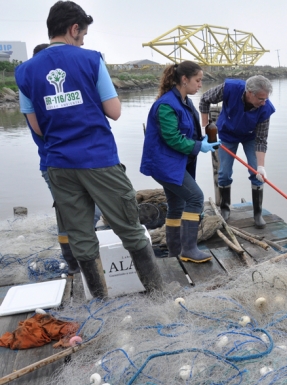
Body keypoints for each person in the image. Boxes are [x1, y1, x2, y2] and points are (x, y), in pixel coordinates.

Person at [15, 0, 163, 298]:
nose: (83, 41)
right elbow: (115, 111)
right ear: (73, 29)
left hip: (58, 164)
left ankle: (100, 300)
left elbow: (37, 127)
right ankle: (158, 294)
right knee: (129, 228)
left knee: (80, 235)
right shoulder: (91, 60)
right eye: (82, 35)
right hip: (98, 159)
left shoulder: (24, 72)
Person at [27, 43, 102, 277]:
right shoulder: (36, 93)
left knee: (75, 213)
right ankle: (77, 263)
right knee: (79, 214)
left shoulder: (39, 93)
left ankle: (77, 262)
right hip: (59, 163)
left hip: (63, 163)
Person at [140, 61, 217, 263]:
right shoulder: (166, 105)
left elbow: (190, 132)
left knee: (177, 205)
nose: (200, 85)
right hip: (164, 164)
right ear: (184, 79)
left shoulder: (184, 101)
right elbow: (172, 138)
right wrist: (199, 147)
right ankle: (189, 249)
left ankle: (175, 250)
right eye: (198, 80)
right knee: (195, 198)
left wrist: (204, 141)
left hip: (175, 163)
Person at [199, 75, 275, 228]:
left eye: (266, 99)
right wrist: (205, 126)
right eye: (260, 98)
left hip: (250, 136)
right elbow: (204, 99)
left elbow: (261, 140)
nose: (264, 102)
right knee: (224, 173)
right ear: (249, 92)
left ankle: (257, 213)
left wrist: (261, 167)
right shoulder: (229, 88)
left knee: (256, 174)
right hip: (227, 134)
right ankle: (225, 208)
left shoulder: (265, 108)